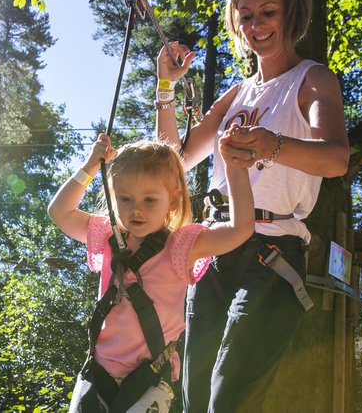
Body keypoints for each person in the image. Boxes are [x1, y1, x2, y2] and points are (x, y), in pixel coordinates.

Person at [154, 0, 350, 410]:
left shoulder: (313, 79)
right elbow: (174, 160)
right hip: (214, 247)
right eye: (246, 16)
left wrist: (271, 146)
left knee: (229, 396)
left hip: (273, 250)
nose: (256, 25)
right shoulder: (236, 94)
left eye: (268, 13)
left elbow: (336, 158)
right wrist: (166, 88)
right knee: (195, 396)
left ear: (291, 15)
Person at [48, 133, 257, 412]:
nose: (136, 209)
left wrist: (235, 168)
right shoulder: (108, 237)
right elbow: (59, 211)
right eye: (125, 198)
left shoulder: (180, 246)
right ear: (114, 198)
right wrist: (90, 166)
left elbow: (240, 230)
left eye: (149, 199)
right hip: (98, 373)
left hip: (149, 378)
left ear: (172, 202)